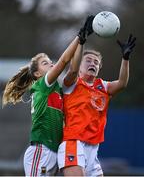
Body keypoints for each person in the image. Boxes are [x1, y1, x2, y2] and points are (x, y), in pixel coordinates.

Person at [2, 16, 93, 176]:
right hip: (41, 150)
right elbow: (64, 61)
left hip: (55, 150)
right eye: (45, 63)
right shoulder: (42, 85)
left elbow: (73, 69)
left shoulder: (58, 88)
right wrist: (78, 37)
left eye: (50, 61)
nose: (51, 64)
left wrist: (82, 42)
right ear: (37, 74)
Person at [57, 32, 136, 176]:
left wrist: (125, 59)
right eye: (88, 60)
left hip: (93, 147)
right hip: (73, 143)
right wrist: (80, 42)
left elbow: (122, 83)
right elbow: (72, 70)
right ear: (79, 65)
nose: (93, 63)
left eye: (96, 62)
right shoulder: (71, 84)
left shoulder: (103, 86)